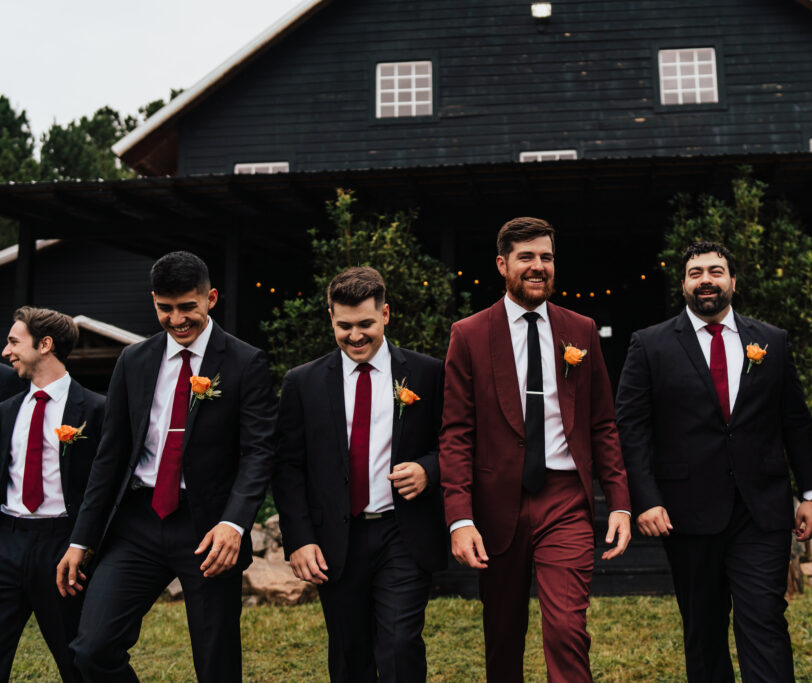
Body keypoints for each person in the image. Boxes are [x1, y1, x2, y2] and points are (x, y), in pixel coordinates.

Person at [55, 251, 276, 682]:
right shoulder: (133, 361)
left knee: (216, 663)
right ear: (154, 302)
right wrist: (82, 538)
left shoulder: (246, 362)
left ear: (210, 298)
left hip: (208, 528)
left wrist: (235, 523)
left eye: (187, 307)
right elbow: (110, 457)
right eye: (165, 308)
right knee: (92, 649)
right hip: (137, 523)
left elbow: (259, 452)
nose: (177, 320)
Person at [616, 241, 812, 682]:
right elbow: (631, 430)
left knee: (764, 617)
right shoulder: (649, 345)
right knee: (703, 628)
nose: (705, 280)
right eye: (695, 273)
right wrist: (646, 499)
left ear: (732, 281)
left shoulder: (771, 340)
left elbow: (796, 422)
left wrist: (811, 493)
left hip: (761, 510)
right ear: (684, 284)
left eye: (715, 271)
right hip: (685, 512)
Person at [440, 216, 632, 682]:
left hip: (565, 500)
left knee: (567, 627)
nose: (538, 266)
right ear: (503, 264)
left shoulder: (581, 329)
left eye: (546, 257)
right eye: (527, 257)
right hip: (496, 504)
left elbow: (603, 423)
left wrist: (621, 503)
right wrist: (460, 519)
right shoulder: (468, 334)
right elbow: (456, 433)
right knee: (502, 634)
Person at [273, 266, 446, 682]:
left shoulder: (428, 373)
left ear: (385, 314)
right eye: (344, 325)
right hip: (336, 537)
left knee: (401, 643)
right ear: (331, 319)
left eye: (366, 323)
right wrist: (299, 539)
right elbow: (287, 466)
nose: (356, 336)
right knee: (350, 653)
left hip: (402, 532)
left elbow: (456, 443)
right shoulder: (303, 382)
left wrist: (428, 469)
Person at [1, 307, 104, 682]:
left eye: (14, 342)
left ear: (45, 345)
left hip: (63, 548)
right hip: (6, 540)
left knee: (75, 659)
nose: (5, 351)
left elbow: (103, 486)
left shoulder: (95, 410)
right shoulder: (6, 411)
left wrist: (85, 544)